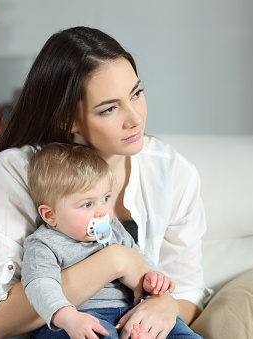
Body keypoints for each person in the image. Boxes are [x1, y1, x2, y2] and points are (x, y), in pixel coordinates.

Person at [0, 26, 212, 339]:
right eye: (109, 108)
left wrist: (166, 305)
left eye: (136, 93)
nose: (135, 118)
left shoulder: (173, 173)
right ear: (67, 120)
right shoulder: (20, 172)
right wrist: (115, 261)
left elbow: (188, 290)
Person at [23, 142, 201, 339]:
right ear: (50, 215)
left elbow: (139, 260)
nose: (102, 212)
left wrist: (152, 279)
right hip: (80, 316)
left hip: (129, 313)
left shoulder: (114, 229)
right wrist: (67, 317)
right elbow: (40, 285)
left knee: (180, 332)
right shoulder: (43, 244)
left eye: (106, 198)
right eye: (88, 204)